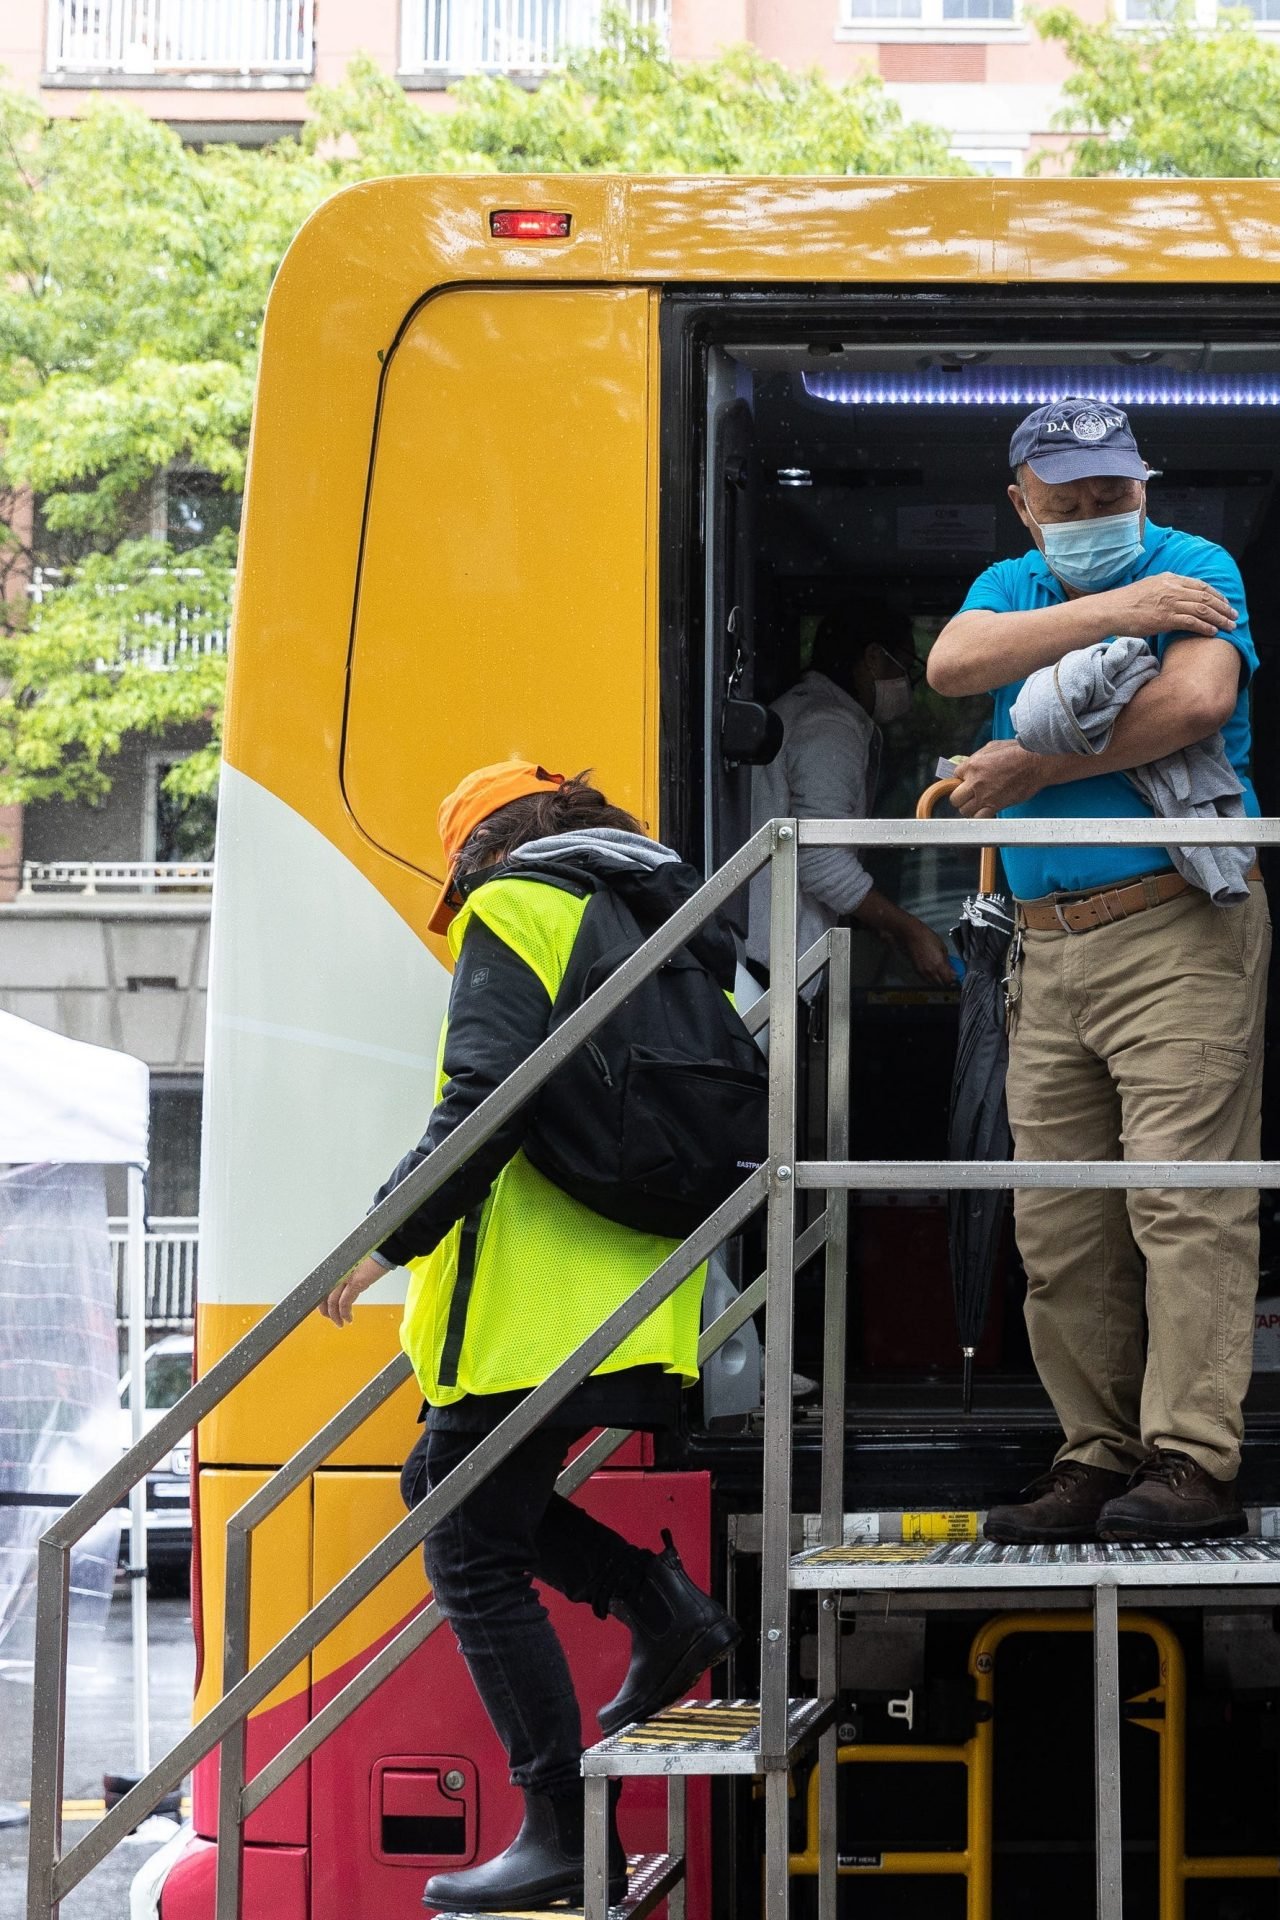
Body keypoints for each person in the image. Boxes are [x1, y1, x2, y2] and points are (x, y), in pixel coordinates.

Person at [323, 763, 742, 1912]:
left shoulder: (518, 905)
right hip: (624, 1294)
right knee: (439, 1487)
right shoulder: (666, 917)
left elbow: (486, 1095)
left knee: (467, 1549)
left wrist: (383, 1238)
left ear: (476, 856)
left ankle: (557, 1824)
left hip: (524, 1307)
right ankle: (665, 1609)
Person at [929, 397, 1268, 1544]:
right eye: (1066, 501)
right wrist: (1120, 610)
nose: (1093, 514)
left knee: (1183, 1197)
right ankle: (1094, 1455)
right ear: (1022, 506)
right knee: (1060, 1223)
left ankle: (1191, 1464)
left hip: (1176, 923)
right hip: (1044, 945)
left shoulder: (1198, 562)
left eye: (1111, 495)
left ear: (1144, 487)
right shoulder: (1026, 586)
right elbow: (950, 663)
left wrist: (1023, 764)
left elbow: (1197, 700)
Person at [746, 610, 955, 990]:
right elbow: (818, 858)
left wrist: (872, 920)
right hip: (775, 966)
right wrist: (908, 929)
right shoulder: (829, 724)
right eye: (905, 668)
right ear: (873, 657)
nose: (907, 686)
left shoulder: (805, 709)